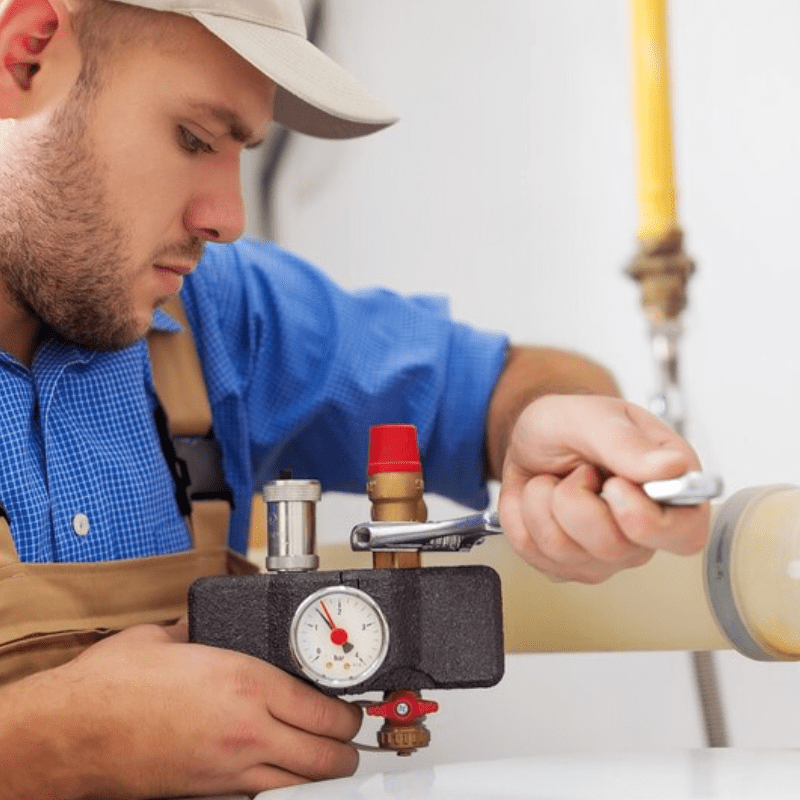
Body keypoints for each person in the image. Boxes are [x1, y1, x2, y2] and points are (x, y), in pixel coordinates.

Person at [0, 0, 709, 797]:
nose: (227, 219)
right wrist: (46, 747)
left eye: (240, 151)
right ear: (27, 57)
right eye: (194, 138)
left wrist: (551, 428)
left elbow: (517, 382)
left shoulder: (219, 314)